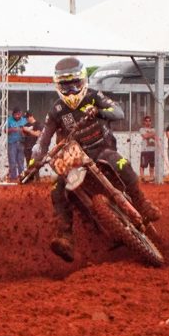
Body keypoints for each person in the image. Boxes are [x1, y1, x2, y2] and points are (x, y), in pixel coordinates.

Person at [30, 57, 161, 262]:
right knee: (57, 192)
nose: (71, 90)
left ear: (82, 80)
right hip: (74, 160)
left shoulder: (93, 96)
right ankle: (66, 237)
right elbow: (43, 140)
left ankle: (142, 203)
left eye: (75, 84)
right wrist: (34, 161)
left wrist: (99, 112)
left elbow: (118, 111)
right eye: (66, 85)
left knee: (121, 163)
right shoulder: (56, 110)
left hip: (102, 150)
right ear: (58, 85)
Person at [7, 107, 27, 181]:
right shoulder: (9, 120)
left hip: (21, 143)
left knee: (21, 161)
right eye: (16, 115)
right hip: (12, 143)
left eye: (19, 114)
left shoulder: (24, 120)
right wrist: (12, 129)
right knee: (12, 161)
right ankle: (13, 178)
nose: (17, 116)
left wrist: (23, 130)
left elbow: (28, 130)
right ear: (13, 114)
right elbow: (5, 130)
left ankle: (22, 177)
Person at [22, 110, 43, 179]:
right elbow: (23, 134)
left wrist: (29, 130)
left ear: (31, 116)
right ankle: (30, 178)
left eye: (28, 117)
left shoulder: (38, 124)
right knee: (29, 164)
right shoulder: (26, 125)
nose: (27, 119)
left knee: (35, 163)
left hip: (35, 148)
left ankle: (37, 178)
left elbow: (38, 134)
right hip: (27, 147)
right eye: (26, 118)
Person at [138, 115, 156, 182]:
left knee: (152, 165)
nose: (148, 122)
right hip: (145, 150)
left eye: (149, 121)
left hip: (153, 150)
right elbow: (145, 136)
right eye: (146, 121)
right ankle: (142, 177)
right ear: (144, 122)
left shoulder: (154, 129)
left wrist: (150, 134)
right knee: (143, 165)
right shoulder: (142, 129)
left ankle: (151, 177)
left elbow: (156, 137)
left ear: (151, 122)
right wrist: (152, 134)